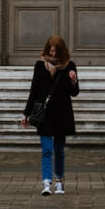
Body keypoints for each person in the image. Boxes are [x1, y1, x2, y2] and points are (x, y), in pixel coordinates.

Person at [21, 34, 79, 196]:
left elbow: (74, 93)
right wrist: (26, 113)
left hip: (62, 112)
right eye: (51, 51)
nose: (53, 54)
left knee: (59, 150)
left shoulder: (70, 65)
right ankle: (47, 183)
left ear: (62, 51)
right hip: (45, 113)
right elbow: (34, 91)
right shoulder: (40, 66)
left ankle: (59, 182)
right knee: (47, 149)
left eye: (56, 51)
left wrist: (74, 81)